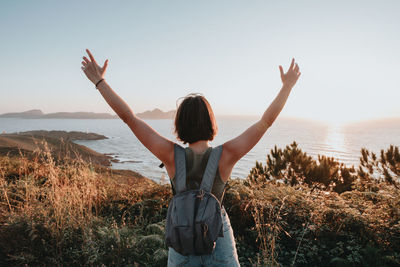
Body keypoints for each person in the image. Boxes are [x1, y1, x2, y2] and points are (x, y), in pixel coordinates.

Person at [81, 49, 301, 266]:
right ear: (210, 122)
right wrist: (287, 87)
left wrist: (100, 82)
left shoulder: (170, 155)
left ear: (180, 123)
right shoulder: (227, 155)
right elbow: (266, 122)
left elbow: (129, 118)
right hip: (218, 237)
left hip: (182, 236)